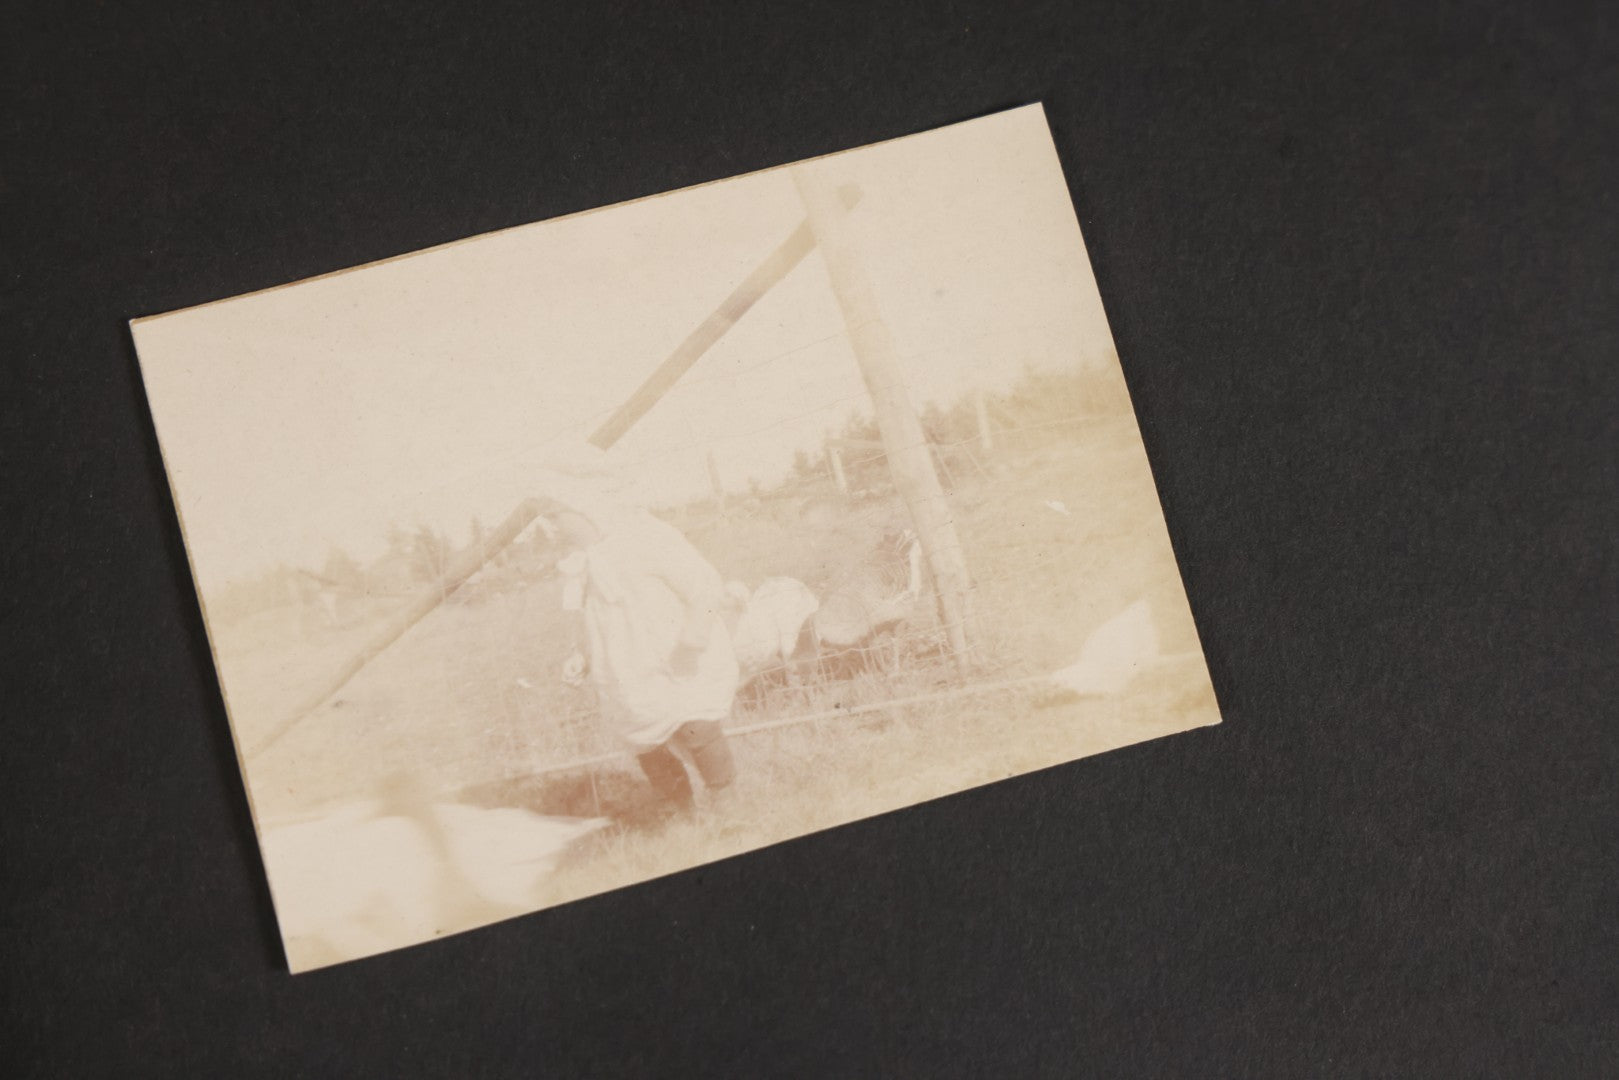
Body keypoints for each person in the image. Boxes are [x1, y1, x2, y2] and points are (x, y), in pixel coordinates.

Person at [538, 448, 739, 816]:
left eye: (556, 516)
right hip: (627, 668)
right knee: (645, 737)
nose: (550, 528)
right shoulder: (580, 564)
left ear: (586, 506)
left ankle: (724, 795)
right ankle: (678, 808)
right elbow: (584, 616)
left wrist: (694, 635)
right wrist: (579, 654)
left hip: (679, 655)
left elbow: (705, 586)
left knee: (696, 725)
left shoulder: (647, 538)